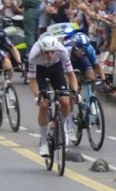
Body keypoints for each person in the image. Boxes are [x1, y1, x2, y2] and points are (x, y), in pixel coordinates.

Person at [25, 25, 78, 158]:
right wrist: (38, 95)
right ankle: (43, 141)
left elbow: (71, 74)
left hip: (56, 69)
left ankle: (62, 126)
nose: (50, 55)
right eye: (46, 52)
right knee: (44, 104)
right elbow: (31, 80)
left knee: (65, 101)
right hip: (40, 72)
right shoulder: (33, 55)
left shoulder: (62, 51)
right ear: (41, 51)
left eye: (52, 52)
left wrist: (75, 91)